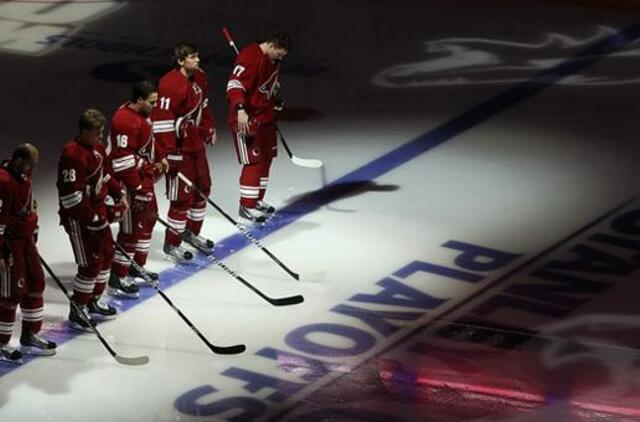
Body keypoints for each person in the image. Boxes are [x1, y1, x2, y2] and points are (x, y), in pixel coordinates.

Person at [57, 109, 129, 331]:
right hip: (79, 220)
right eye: (97, 132)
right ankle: (78, 309)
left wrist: (119, 193)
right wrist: (94, 219)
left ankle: (93, 300)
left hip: (97, 214)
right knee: (89, 265)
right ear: (85, 131)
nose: (101, 136)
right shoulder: (72, 155)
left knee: (107, 255)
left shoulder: (97, 148)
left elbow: (104, 174)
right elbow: (71, 198)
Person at [152, 42, 217, 261]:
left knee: (203, 189)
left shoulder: (200, 77)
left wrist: (209, 127)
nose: (197, 60)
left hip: (195, 144)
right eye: (192, 57)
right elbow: (161, 122)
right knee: (181, 199)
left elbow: (204, 106)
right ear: (180, 61)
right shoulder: (169, 84)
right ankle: (172, 244)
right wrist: (169, 153)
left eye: (198, 56)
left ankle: (192, 232)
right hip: (179, 150)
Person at [226, 31, 292, 223]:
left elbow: (267, 86)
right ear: (272, 45)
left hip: (266, 117)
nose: (280, 58)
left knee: (266, 159)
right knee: (254, 162)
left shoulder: (273, 60)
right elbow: (234, 85)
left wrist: (274, 98)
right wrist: (240, 109)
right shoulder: (250, 57)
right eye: (279, 53)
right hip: (247, 118)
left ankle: (256, 200)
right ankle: (246, 206)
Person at [0, 144, 57, 364]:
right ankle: (1, 343)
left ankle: (30, 334)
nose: (32, 169)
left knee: (36, 283)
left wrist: (33, 231)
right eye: (30, 165)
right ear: (18, 162)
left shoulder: (24, 174)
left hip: (25, 241)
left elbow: (30, 207)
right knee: (10, 294)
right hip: (10, 244)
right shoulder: (3, 182)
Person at [109, 81, 167, 289]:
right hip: (129, 182)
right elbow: (122, 161)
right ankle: (118, 273)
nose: (155, 106)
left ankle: (135, 264)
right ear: (140, 100)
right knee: (131, 229)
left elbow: (148, 141)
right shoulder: (124, 121)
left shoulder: (141, 115)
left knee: (149, 219)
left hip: (142, 178)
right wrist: (138, 189)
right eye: (152, 102)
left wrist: (160, 157)